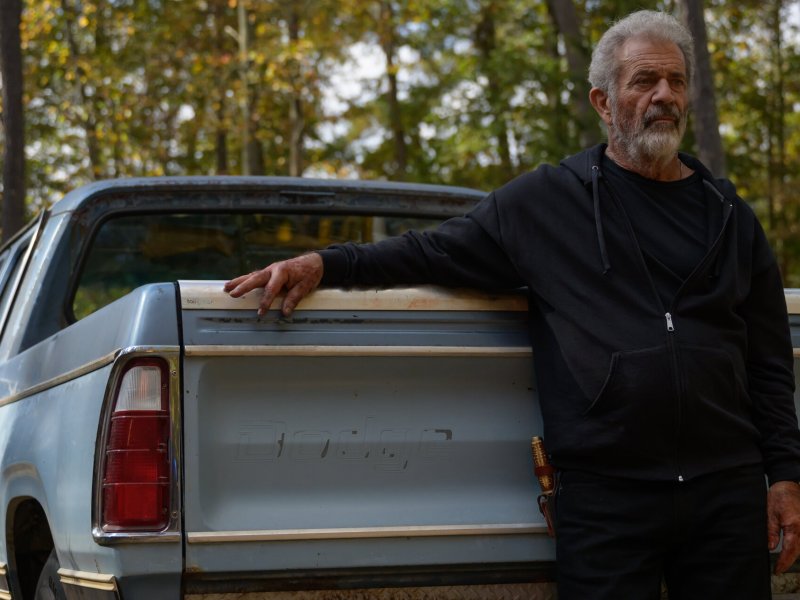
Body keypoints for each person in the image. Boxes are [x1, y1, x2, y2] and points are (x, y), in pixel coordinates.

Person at [225, 10, 800, 599]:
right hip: (607, 495)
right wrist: (325, 264)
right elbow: (429, 251)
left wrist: (784, 475)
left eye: (676, 81)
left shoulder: (728, 215)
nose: (664, 96)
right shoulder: (546, 203)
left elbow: (769, 360)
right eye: (645, 81)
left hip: (725, 490)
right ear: (603, 102)